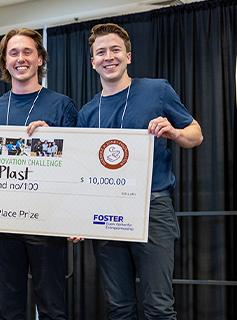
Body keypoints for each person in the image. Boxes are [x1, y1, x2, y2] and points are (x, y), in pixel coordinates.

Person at [73, 23, 203, 320]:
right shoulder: (87, 112)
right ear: (92, 61)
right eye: (101, 52)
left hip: (152, 207)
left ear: (128, 56)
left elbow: (196, 133)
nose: (109, 57)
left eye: (116, 50)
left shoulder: (157, 90)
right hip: (105, 212)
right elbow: (80, 169)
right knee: (119, 308)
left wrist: (174, 133)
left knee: (159, 307)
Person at [0, 28, 77, 320]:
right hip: (2, 223)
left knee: (52, 308)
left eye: (28, 52)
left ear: (40, 59)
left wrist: (54, 140)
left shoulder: (61, 104)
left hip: (47, 222)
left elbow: (77, 163)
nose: (20, 58)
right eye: (13, 53)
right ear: (5, 61)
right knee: (8, 308)